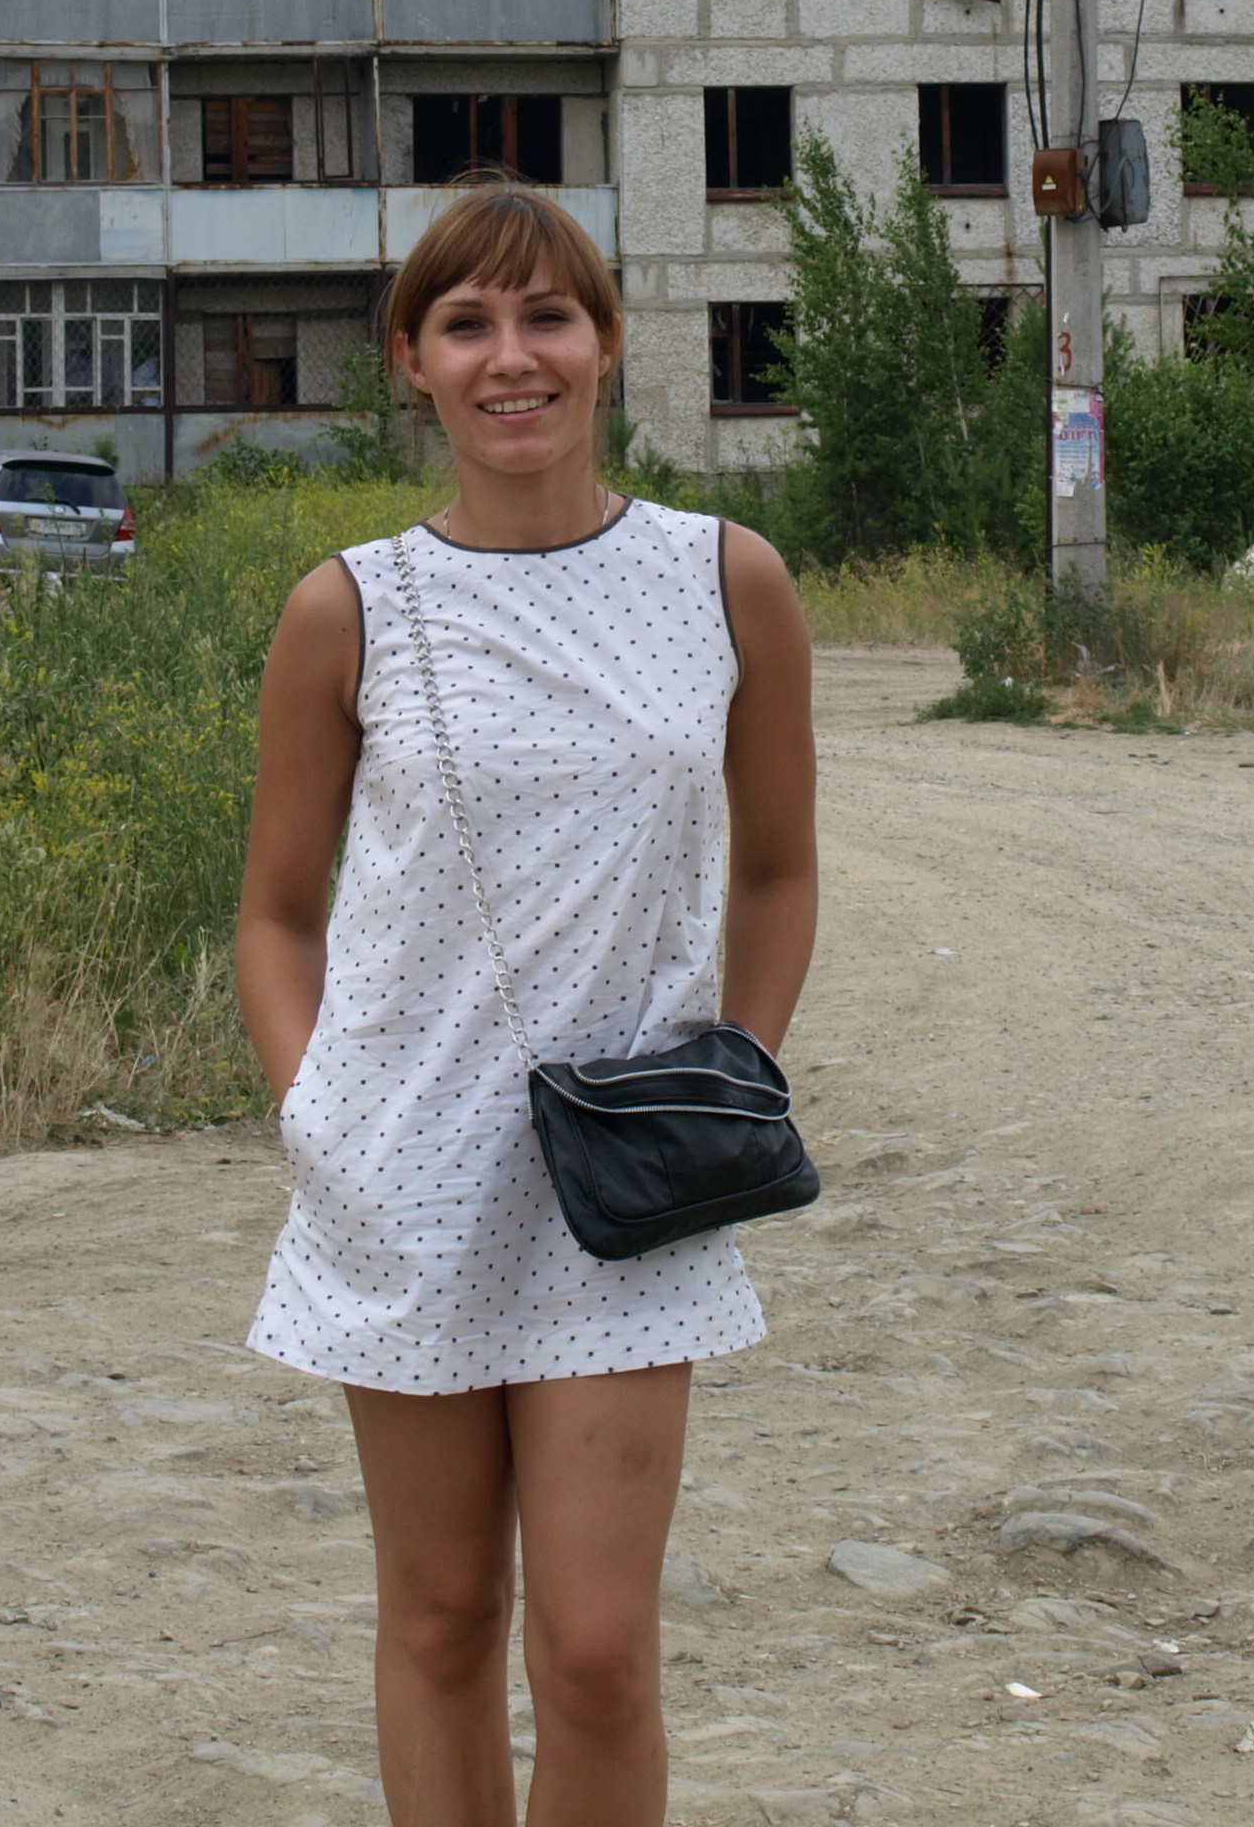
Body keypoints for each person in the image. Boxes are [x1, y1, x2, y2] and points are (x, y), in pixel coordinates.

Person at [237, 180, 819, 1827]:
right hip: (404, 1174)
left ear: (608, 343)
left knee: (598, 1654)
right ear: (410, 361)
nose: (513, 357)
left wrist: (731, 1083)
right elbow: (275, 914)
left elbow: (779, 873)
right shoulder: (348, 607)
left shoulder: (727, 579)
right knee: (438, 1620)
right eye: (467, 324)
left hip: (628, 1186)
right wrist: (316, 1111)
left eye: (548, 316)